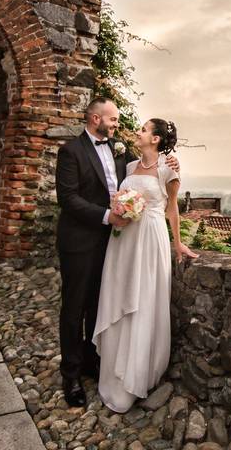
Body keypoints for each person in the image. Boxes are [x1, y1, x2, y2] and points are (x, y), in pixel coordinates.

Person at [55, 98, 178, 408]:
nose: (117, 125)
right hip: (80, 240)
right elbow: (67, 198)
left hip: (114, 243)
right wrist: (108, 216)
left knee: (101, 302)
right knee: (74, 306)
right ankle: (70, 374)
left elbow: (149, 178)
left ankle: (91, 360)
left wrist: (171, 161)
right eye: (112, 120)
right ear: (96, 118)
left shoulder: (119, 151)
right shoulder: (71, 152)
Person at [93, 118, 197, 413]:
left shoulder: (168, 170)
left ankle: (134, 377)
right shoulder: (128, 166)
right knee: (119, 292)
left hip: (149, 238)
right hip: (123, 239)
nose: (137, 132)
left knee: (142, 299)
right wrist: (120, 206)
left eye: (143, 129)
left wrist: (178, 243)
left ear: (155, 139)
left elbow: (172, 209)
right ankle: (112, 373)